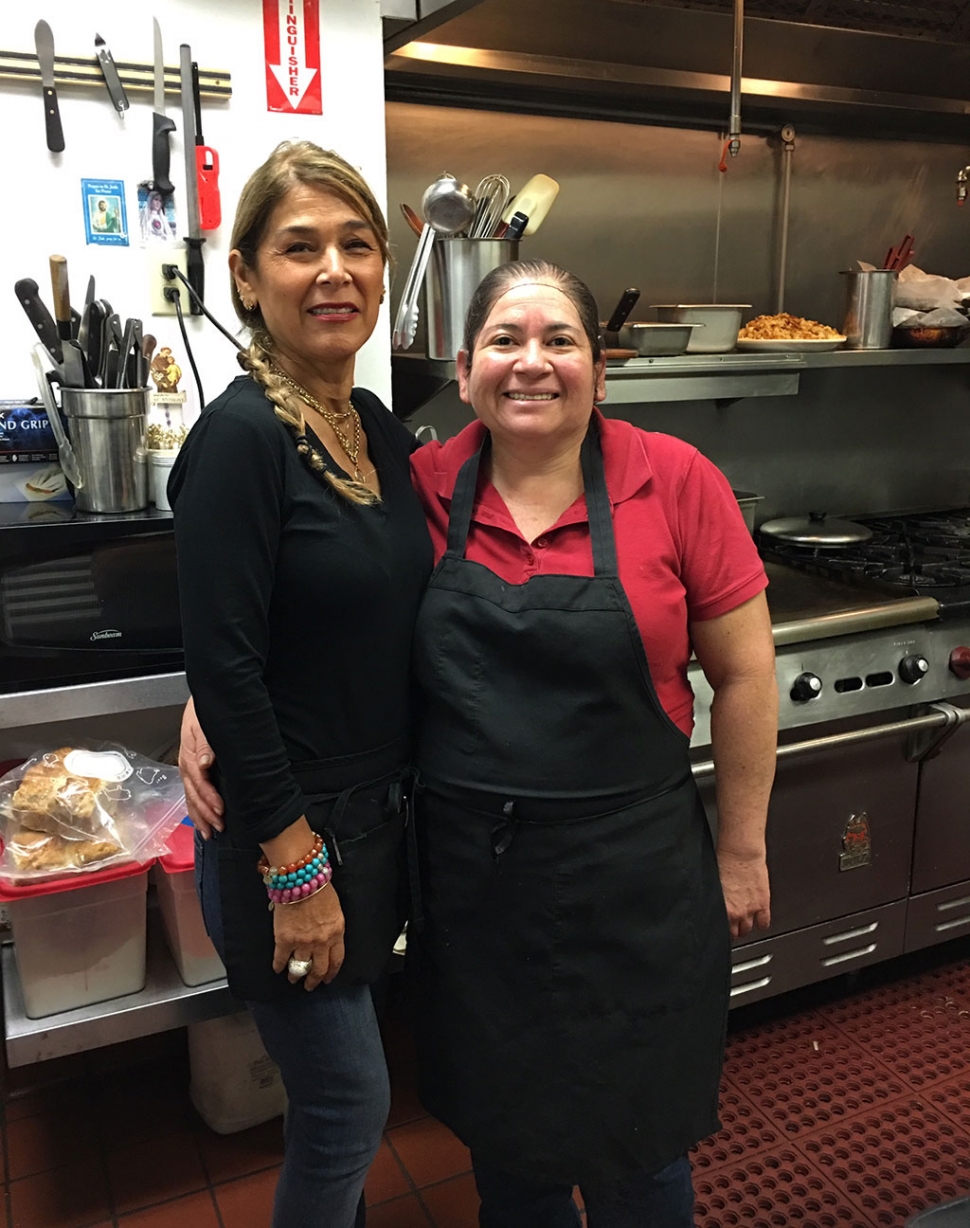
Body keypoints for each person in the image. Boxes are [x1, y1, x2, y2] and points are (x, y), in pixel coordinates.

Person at [182, 260, 778, 1227]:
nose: (530, 364)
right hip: (474, 886)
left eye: (560, 341)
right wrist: (205, 700)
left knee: (641, 1145)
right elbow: (304, 602)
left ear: (599, 367)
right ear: (465, 371)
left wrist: (743, 848)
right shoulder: (417, 481)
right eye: (505, 340)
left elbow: (748, 674)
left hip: (637, 879)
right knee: (511, 1145)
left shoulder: (674, 480)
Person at [168, 140, 433, 1228]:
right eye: (298, 247)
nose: (333, 269)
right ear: (245, 275)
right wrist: (292, 867)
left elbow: (369, 606)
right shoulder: (239, 441)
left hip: (374, 823)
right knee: (345, 1105)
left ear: (381, 271)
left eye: (355, 245)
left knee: (346, 1094)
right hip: (294, 837)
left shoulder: (370, 426)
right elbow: (224, 660)